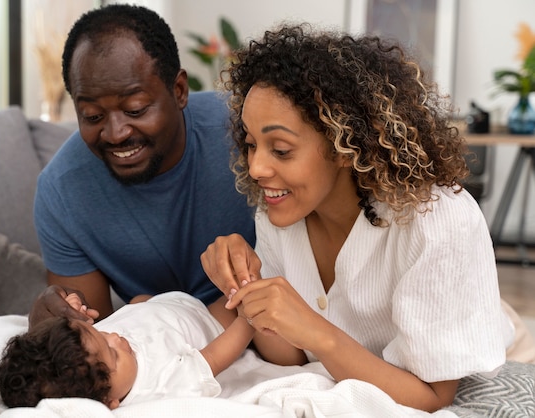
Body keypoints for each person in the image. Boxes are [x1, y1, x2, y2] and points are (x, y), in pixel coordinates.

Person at [200, 24, 515, 413]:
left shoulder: (437, 223)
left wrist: (319, 334)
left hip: (464, 328)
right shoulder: (279, 212)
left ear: (345, 144)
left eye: (280, 149)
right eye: (250, 144)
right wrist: (248, 289)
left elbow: (431, 398)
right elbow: (291, 358)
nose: (257, 167)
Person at [29, 4, 255, 327]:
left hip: (266, 331)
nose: (116, 133)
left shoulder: (247, 132)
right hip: (166, 343)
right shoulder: (61, 193)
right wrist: (57, 323)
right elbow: (99, 337)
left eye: (135, 109)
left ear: (179, 91)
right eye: (93, 116)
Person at [0, 291, 253, 409]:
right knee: (231, 304)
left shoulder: (91, 349)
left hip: (155, 305)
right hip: (207, 318)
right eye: (113, 354)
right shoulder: (159, 387)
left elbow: (98, 330)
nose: (115, 337)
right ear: (108, 402)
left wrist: (75, 308)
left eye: (100, 332)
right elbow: (214, 357)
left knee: (138, 301)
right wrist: (249, 318)